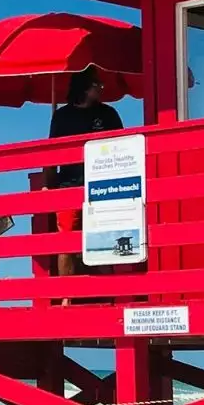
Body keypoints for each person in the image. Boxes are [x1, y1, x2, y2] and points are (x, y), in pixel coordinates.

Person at [46, 68, 123, 280]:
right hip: (69, 185)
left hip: (103, 187)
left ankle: (107, 294)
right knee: (67, 242)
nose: (101, 88)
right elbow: (51, 156)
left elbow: (123, 147)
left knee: (105, 240)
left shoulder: (108, 114)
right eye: (97, 84)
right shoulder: (62, 117)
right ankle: (66, 298)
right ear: (84, 88)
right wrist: (48, 187)